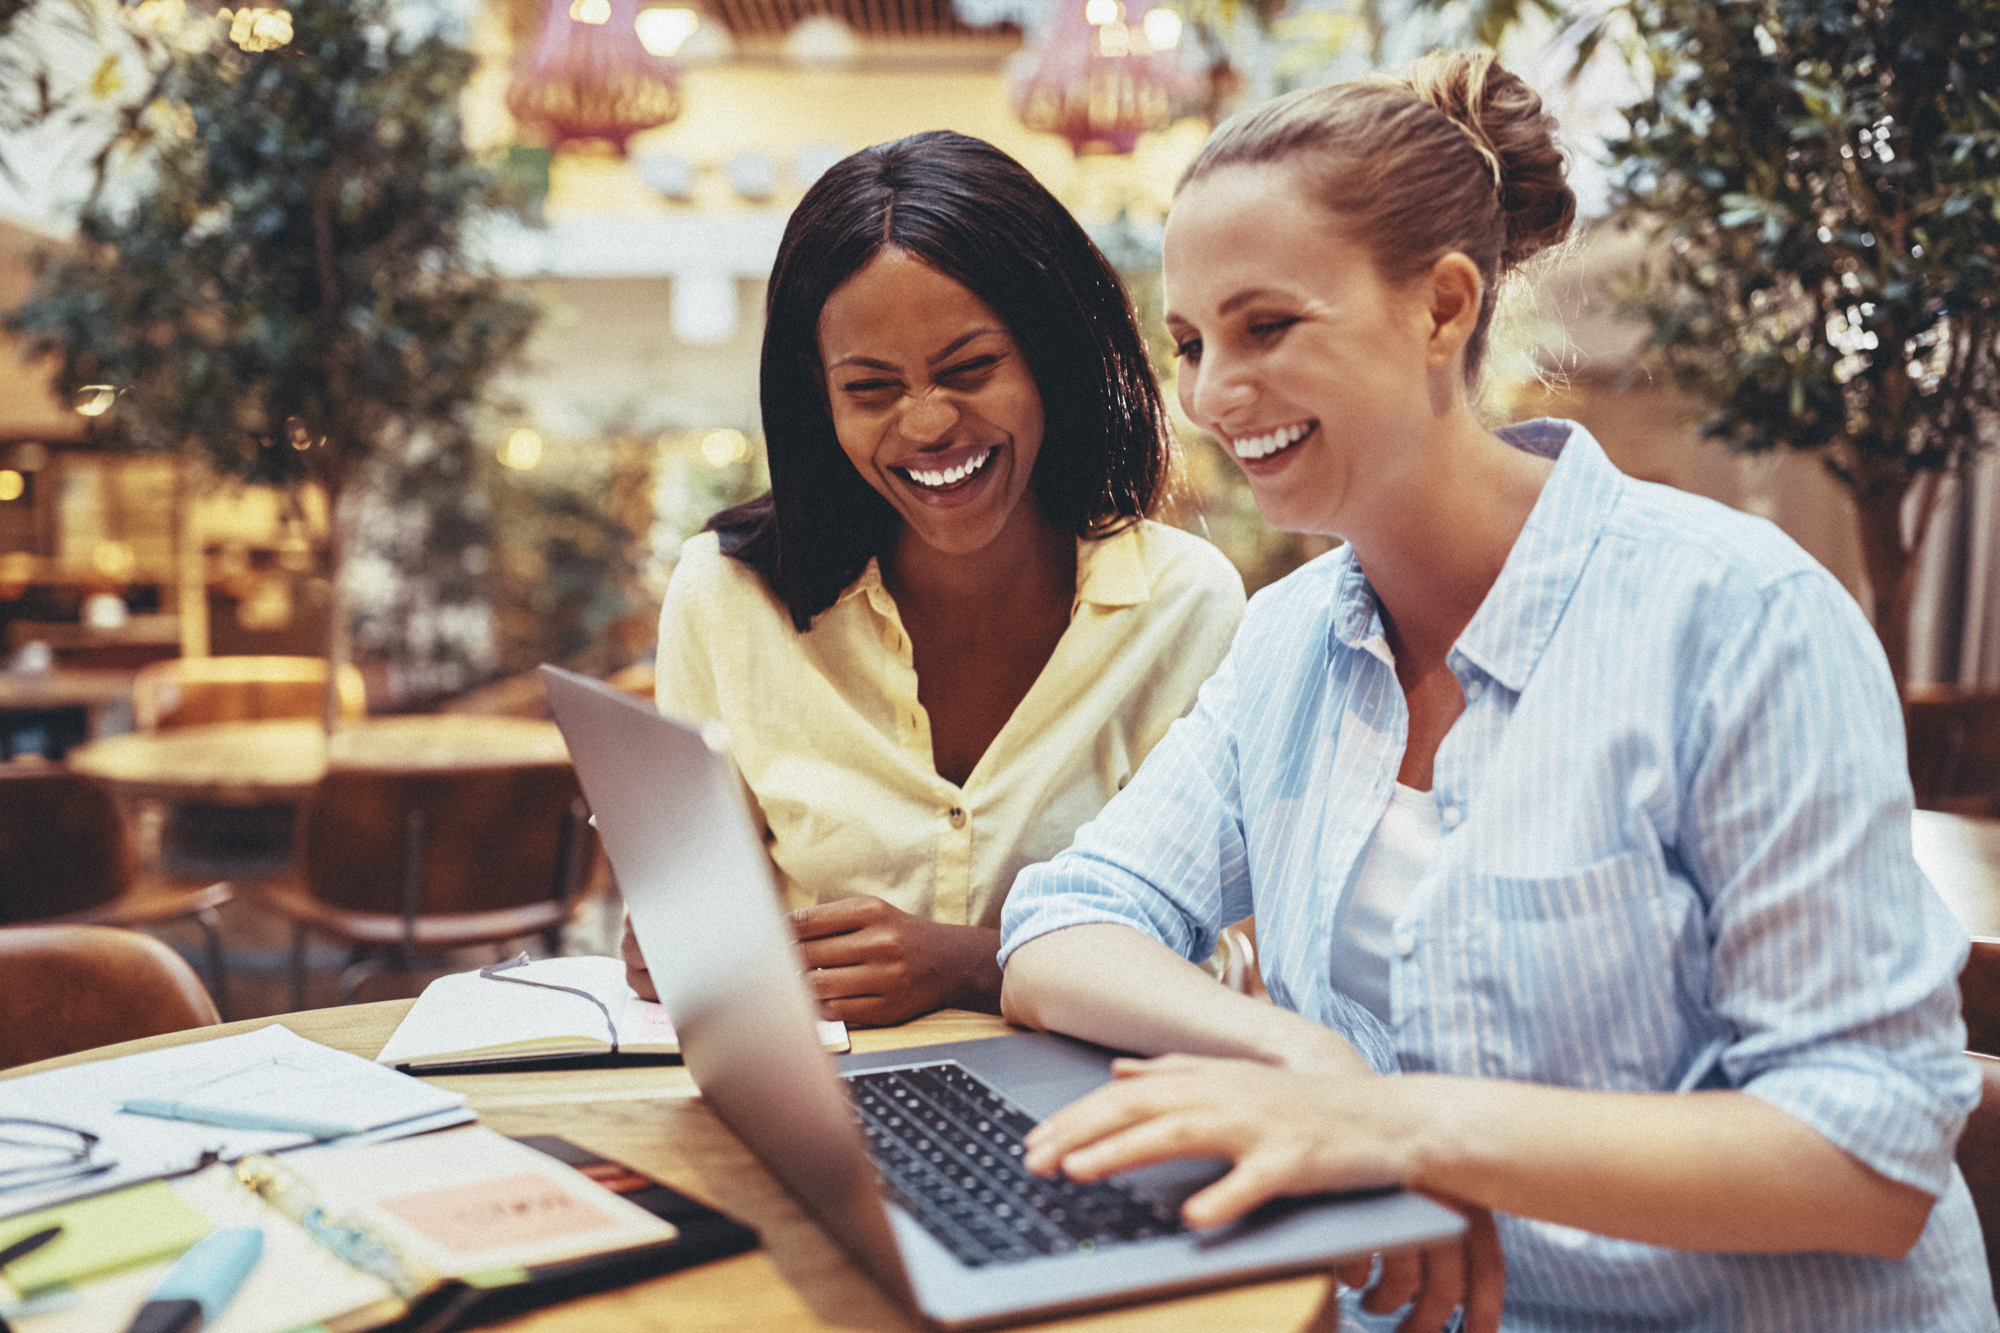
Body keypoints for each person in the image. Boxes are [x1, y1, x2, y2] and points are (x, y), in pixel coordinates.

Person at [996, 51, 1993, 1333]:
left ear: (1441, 307)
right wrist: (1302, 1058)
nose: (1207, 394)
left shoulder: (1737, 620)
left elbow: (1869, 1156)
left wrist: (1405, 1128)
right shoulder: (1289, 639)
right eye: (1188, 342)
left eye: (1266, 325)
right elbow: (1066, 922)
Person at [623, 131, 1245, 1028]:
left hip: (1096, 1107)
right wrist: (680, 946)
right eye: (871, 390)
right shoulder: (724, 597)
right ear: (819, 397)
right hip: (829, 1101)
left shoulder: (1185, 605)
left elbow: (1224, 956)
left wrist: (972, 963)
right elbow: (715, 921)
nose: (926, 424)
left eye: (970, 370)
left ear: (1049, 355)